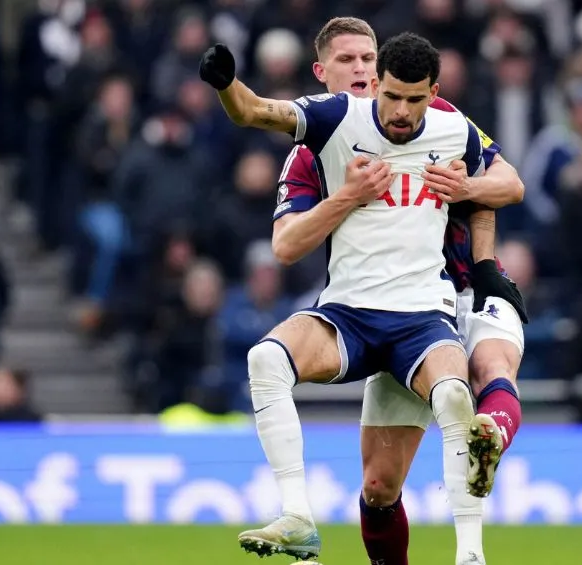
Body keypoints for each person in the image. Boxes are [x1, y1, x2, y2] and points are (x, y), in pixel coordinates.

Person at [199, 31, 524, 565]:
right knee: (270, 364)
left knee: (457, 392)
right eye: (348, 61)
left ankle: (470, 555)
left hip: (429, 313)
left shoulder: (451, 124)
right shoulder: (328, 125)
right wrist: (225, 83)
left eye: (367, 59)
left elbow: (503, 186)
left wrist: (479, 239)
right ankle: (299, 518)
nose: (398, 108)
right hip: (349, 313)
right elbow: (254, 113)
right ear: (323, 71)